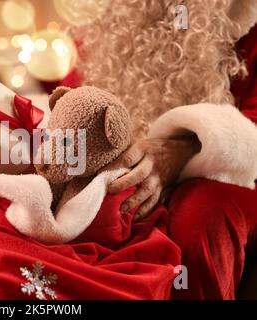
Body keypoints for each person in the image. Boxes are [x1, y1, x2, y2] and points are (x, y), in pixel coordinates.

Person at [67, 0, 257, 299]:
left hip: (227, 176)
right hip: (123, 172)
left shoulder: (248, 19)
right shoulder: (109, 18)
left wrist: (181, 147)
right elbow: (73, 105)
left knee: (204, 215)